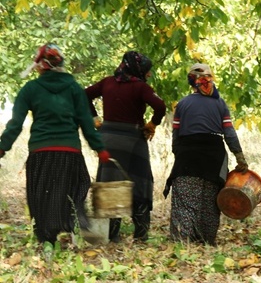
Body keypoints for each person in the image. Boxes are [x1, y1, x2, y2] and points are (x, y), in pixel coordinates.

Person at [0, 44, 111, 244]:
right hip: (70, 151)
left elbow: (15, 124)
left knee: (42, 195)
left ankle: (47, 239)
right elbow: (86, 122)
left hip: (41, 152)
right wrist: (99, 148)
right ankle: (74, 225)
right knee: (73, 190)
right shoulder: (74, 88)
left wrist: (3, 146)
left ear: (41, 66)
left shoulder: (31, 89)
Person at [85, 51, 167, 242]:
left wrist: (95, 118)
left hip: (108, 139)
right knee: (139, 181)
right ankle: (141, 234)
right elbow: (160, 106)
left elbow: (83, 95)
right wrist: (152, 124)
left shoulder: (107, 82)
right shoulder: (140, 87)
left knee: (110, 183)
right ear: (138, 69)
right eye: (147, 71)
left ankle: (110, 234)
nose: (148, 75)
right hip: (133, 140)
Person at [163, 63, 249, 245]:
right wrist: (239, 157)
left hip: (187, 156)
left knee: (185, 201)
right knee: (210, 201)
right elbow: (229, 133)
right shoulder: (220, 104)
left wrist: (178, 153)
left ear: (190, 82)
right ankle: (206, 241)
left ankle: (182, 241)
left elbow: (176, 135)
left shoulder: (182, 105)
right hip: (213, 156)